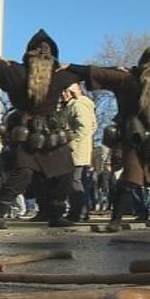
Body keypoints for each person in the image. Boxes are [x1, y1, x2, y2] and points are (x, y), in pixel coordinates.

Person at [66, 46, 150, 232]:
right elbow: (95, 72)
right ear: (142, 64)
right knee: (130, 178)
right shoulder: (126, 78)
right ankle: (116, 220)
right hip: (133, 136)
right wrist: (67, 66)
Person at [0, 29, 86, 229]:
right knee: (24, 171)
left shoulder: (59, 76)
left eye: (47, 49)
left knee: (65, 170)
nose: (42, 52)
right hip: (23, 129)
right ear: (29, 52)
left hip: (50, 131)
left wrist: (73, 66)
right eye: (38, 49)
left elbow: (90, 71)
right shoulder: (16, 71)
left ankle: (55, 214)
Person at [61, 83, 97, 223]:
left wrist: (71, 141)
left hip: (76, 149)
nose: (63, 95)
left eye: (65, 91)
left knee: (74, 181)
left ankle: (78, 212)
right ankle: (81, 211)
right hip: (79, 148)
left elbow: (84, 126)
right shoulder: (78, 104)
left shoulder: (78, 105)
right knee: (78, 181)